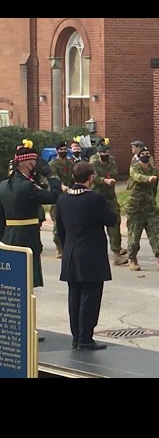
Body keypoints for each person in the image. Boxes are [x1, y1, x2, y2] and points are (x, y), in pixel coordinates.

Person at [0, 141, 63, 343]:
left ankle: (9, 327)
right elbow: (54, 196)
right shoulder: (27, 186)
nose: (37, 165)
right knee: (26, 289)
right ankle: (26, 329)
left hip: (8, 238)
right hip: (26, 239)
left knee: (10, 287)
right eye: (35, 162)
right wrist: (51, 176)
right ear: (27, 164)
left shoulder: (3, 185)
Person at [55, 162, 117, 351]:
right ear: (90, 178)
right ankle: (85, 337)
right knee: (90, 295)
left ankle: (76, 336)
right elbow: (110, 219)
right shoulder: (94, 199)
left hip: (71, 251)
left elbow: (60, 228)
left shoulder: (63, 199)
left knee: (74, 295)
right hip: (91, 253)